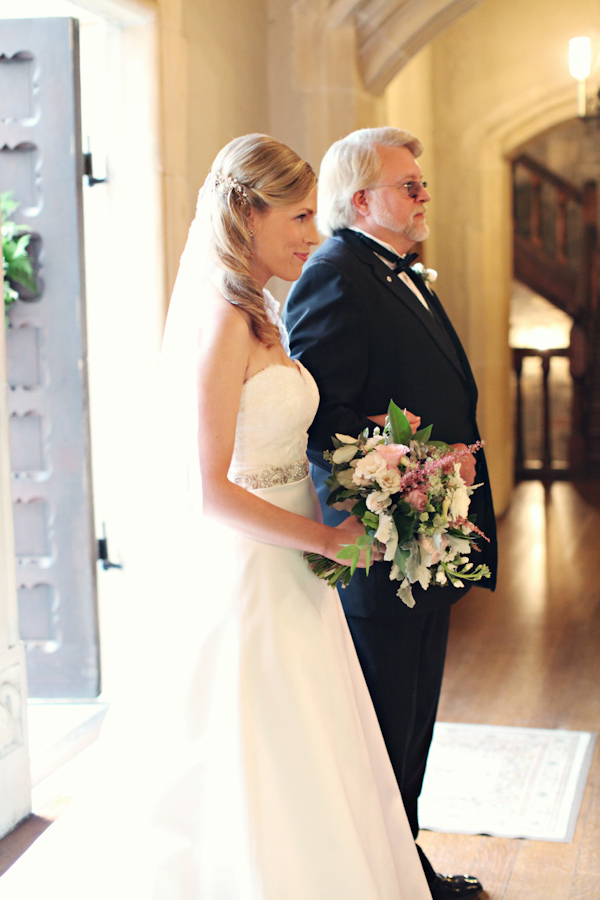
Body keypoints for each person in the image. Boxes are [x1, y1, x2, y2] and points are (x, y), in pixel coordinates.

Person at [1, 134, 432, 900]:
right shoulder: (225, 319)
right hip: (250, 568)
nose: (312, 233)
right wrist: (327, 538)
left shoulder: (262, 308)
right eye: (297, 216)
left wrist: (381, 472)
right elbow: (211, 490)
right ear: (246, 212)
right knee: (246, 750)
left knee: (306, 749)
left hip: (293, 567)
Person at [283, 127, 498, 900]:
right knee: (382, 727)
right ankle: (385, 877)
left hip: (423, 540)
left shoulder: (393, 271)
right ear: (361, 200)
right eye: (410, 184)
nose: (424, 193)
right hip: (383, 550)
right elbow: (325, 419)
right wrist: (402, 492)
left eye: (421, 181)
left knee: (410, 721)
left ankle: (398, 866)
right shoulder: (337, 276)